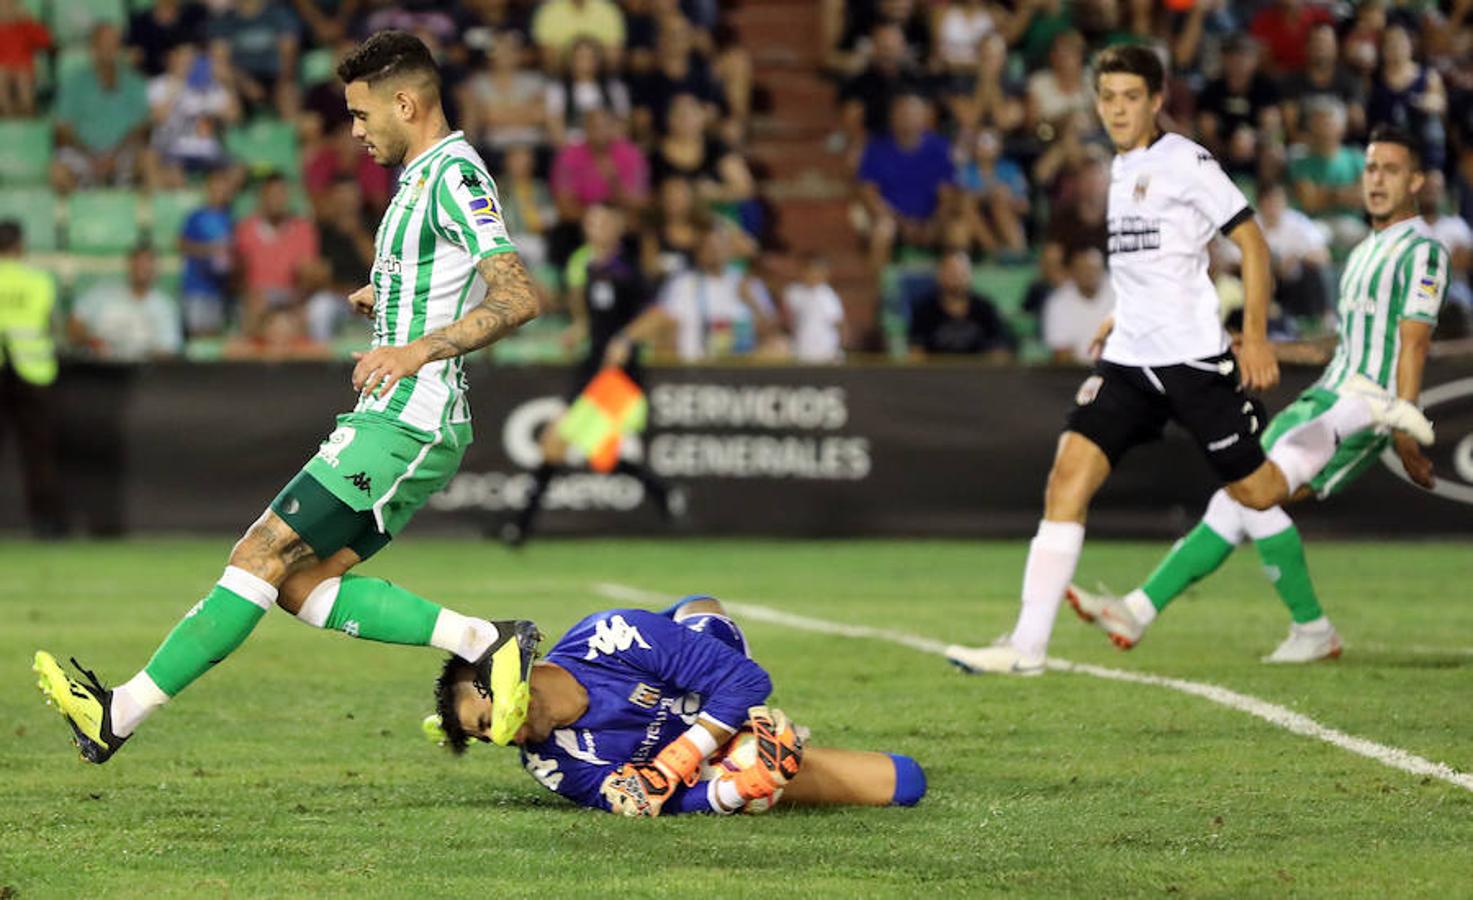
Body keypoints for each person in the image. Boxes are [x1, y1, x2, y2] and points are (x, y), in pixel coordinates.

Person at [34, 31, 543, 765]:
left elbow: (519, 295)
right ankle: (480, 641)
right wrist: (391, 297)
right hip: (400, 415)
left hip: (410, 415)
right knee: (301, 584)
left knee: (260, 552)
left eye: (364, 116)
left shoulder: (455, 177)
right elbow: (444, 273)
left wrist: (414, 348)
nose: (358, 132)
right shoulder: (421, 178)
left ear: (406, 102)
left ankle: (119, 712)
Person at [944, 47, 1432, 677]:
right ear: (1097, 104)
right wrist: (1125, 313)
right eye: (1108, 97)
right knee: (1067, 477)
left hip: (1195, 365)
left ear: (1155, 101)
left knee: (1258, 491)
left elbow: (1251, 241)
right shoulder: (1119, 169)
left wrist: (1253, 336)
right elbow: (1159, 261)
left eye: (1130, 97)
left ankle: (1359, 412)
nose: (1118, 109)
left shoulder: (1184, 160)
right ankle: (1027, 645)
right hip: (1128, 363)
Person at [1066, 127, 1447, 664]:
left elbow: (1415, 341)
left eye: (1390, 169)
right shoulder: (1366, 249)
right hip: (1328, 392)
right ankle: (1145, 609)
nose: (1377, 179)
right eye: (1370, 168)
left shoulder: (1423, 249)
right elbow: (1344, 344)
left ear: (1416, 181)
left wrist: (1405, 421)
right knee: (1241, 495)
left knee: (1252, 494)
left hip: (1363, 405)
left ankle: (1303, 627)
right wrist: (1265, 346)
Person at [429, 594, 928, 816]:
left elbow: (748, 679)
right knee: (904, 781)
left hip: (703, 722)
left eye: (489, 721)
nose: (503, 738)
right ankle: (753, 755)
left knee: (708, 619)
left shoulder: (610, 637)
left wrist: (681, 754)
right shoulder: (549, 763)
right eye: (485, 736)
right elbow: (643, 802)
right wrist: (736, 790)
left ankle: (743, 731)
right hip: (713, 761)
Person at [500, 203, 680, 547]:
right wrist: (578, 331)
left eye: (601, 222)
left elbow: (658, 315)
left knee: (558, 444)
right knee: (588, 453)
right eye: (590, 222)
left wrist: (626, 339)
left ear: (616, 228)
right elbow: (593, 320)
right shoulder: (591, 268)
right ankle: (663, 492)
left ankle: (518, 528)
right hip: (591, 370)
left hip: (617, 377)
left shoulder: (626, 271)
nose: (593, 227)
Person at [0, 220, 64, 538]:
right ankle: (46, 524)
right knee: (38, 453)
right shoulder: (39, 281)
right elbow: (52, 325)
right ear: (20, 246)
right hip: (33, 370)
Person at [50, 23, 151, 192]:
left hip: (123, 154)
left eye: (114, 44)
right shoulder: (74, 82)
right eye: (104, 43)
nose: (109, 49)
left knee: (149, 160)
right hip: (84, 153)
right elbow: (62, 129)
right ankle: (81, 214)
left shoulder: (135, 82)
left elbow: (141, 129)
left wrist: (114, 156)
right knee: (57, 171)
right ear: (93, 48)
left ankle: (145, 217)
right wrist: (91, 156)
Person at [68, 244, 183, 362]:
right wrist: (90, 341)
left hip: (143, 373)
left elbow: (167, 350)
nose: (142, 269)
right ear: (129, 265)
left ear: (156, 269)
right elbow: (75, 323)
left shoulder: (165, 306)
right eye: (138, 263)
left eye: (147, 264)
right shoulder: (102, 293)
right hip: (99, 368)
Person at [906, 250, 1014, 360]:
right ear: (939, 275)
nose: (956, 278)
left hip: (977, 373)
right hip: (937, 374)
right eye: (951, 273)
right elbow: (916, 353)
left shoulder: (985, 308)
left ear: (970, 276)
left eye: (961, 273)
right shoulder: (924, 310)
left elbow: (1000, 351)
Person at [178, 166, 237, 337]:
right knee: (197, 335)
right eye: (216, 185)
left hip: (220, 290)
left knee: (214, 337)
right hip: (196, 287)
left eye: (223, 186)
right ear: (208, 188)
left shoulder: (231, 218)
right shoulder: (196, 216)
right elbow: (182, 245)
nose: (219, 190)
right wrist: (210, 250)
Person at [1041, 246, 1113, 365]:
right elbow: (1061, 354)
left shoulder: (1121, 295)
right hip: (1075, 374)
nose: (1089, 274)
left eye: (1093, 269)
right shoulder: (1058, 302)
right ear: (1072, 272)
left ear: (1103, 270)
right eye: (1083, 269)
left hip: (1117, 372)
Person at [783, 253, 846, 364]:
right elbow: (787, 319)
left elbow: (838, 322)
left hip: (827, 350)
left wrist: (840, 347)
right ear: (802, 271)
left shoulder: (828, 295)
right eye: (811, 271)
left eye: (820, 271)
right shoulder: (793, 292)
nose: (815, 275)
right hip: (802, 350)